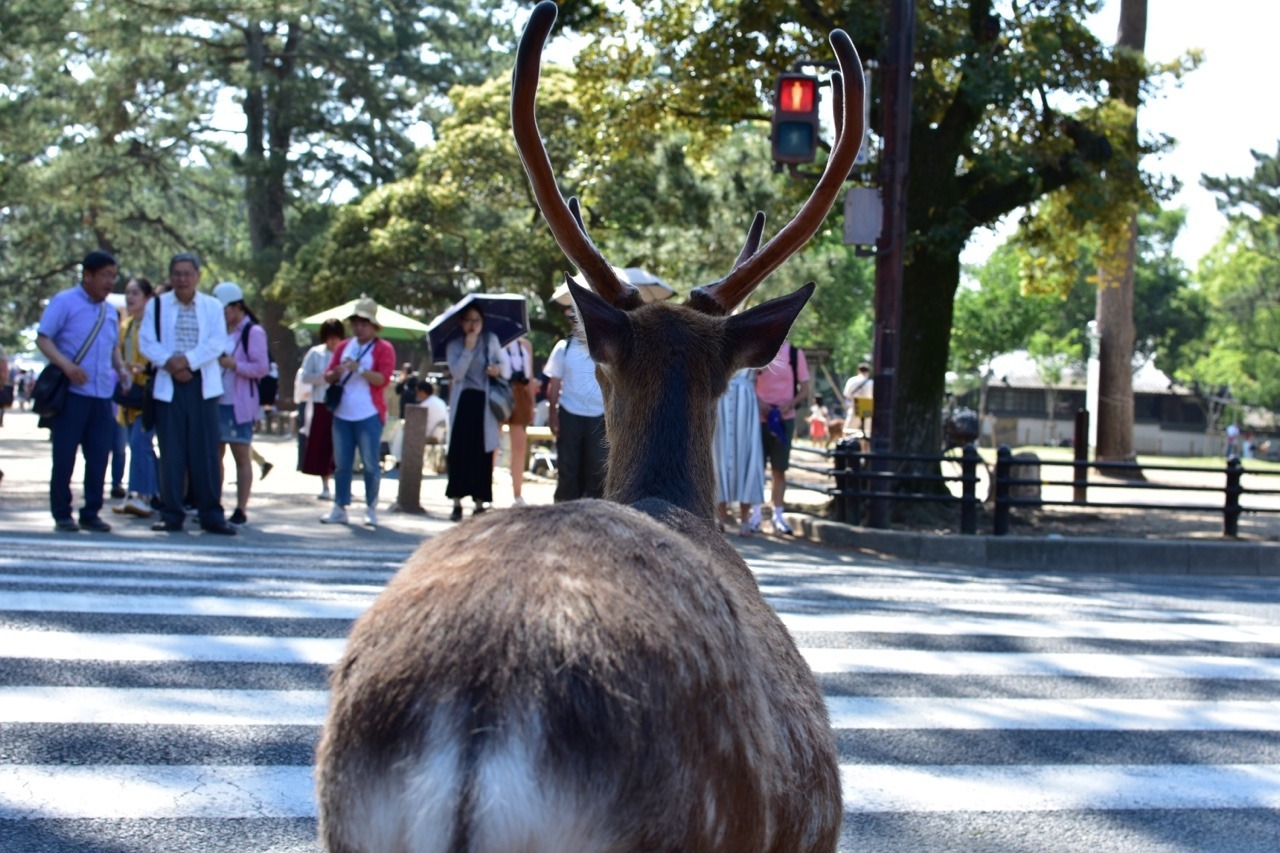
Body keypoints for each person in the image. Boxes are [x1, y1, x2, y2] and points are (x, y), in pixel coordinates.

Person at [139, 252, 237, 535]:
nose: (182, 279)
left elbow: (217, 342)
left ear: (198, 276)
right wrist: (171, 363)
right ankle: (171, 513)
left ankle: (211, 514)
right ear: (171, 276)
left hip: (202, 384)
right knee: (171, 452)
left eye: (187, 273)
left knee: (205, 452)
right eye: (177, 273)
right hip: (168, 385)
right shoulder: (157, 305)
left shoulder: (212, 306)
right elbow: (147, 342)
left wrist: (188, 361)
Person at [35, 250, 130, 533]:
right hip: (72, 394)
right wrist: (66, 366)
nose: (110, 282)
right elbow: (43, 338)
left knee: (100, 455)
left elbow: (113, 347)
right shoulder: (64, 302)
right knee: (65, 455)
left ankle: (91, 511)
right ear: (87, 275)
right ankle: (62, 512)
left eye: (113, 276)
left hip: (102, 396)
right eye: (105, 276)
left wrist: (122, 369)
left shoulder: (109, 311)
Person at [320, 298, 395, 528]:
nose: (359, 327)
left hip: (369, 414)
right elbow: (328, 374)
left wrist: (360, 369)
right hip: (343, 412)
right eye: (356, 322)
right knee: (342, 463)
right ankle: (339, 506)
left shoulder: (384, 348)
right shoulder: (344, 346)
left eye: (364, 323)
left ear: (373, 325)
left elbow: (383, 379)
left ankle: (371, 508)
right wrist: (336, 372)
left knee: (371, 463)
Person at [445, 305, 511, 521]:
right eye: (468, 320)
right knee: (459, 451)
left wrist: (497, 369)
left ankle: (480, 502)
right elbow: (457, 373)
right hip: (463, 401)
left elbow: (505, 367)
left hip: (484, 403)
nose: (473, 325)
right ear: (461, 323)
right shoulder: (454, 345)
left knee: (482, 453)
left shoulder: (490, 339)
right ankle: (456, 502)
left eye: (476, 320)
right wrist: (468, 348)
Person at [213, 281, 269, 526]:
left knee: (241, 456)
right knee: (216, 456)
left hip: (239, 403)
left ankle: (241, 507)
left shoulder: (253, 332)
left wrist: (234, 365)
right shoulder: (220, 330)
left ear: (236, 307)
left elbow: (261, 367)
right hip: (216, 399)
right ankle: (214, 502)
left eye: (224, 310)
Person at [544, 309, 607, 503]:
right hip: (570, 413)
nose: (577, 326)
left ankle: (597, 512)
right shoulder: (563, 348)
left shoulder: (603, 349)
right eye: (574, 321)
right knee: (568, 465)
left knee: (597, 466)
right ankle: (564, 509)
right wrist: (552, 415)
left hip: (598, 416)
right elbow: (554, 384)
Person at [111, 276, 160, 518]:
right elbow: (116, 353)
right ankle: (142, 493)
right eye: (128, 293)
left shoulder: (155, 326)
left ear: (148, 297)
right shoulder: (126, 326)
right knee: (136, 444)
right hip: (129, 395)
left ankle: (145, 495)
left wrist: (145, 368)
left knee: (141, 443)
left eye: (135, 293)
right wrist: (123, 369)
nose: (130, 298)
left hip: (149, 395)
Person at [754, 339, 811, 536]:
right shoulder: (760, 349)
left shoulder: (795, 354)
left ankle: (778, 514)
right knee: (757, 468)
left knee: (779, 469)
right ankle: (755, 514)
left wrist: (789, 404)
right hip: (759, 418)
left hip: (784, 419)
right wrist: (760, 403)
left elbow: (805, 389)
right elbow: (748, 381)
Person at [713, 367, 765, 537]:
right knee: (720, 451)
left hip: (746, 397)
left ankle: (745, 518)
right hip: (722, 395)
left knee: (746, 452)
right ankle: (720, 515)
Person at [301, 319, 345, 501]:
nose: (333, 342)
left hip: (343, 405)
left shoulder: (347, 354)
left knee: (342, 446)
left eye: (336, 338)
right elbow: (305, 377)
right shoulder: (315, 354)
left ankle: (343, 486)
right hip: (321, 403)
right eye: (330, 338)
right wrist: (325, 378)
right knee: (323, 445)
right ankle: (326, 484)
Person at [502, 336, 538, 505]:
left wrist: (532, 403)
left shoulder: (525, 344)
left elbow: (529, 376)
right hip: (499, 391)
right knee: (493, 444)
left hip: (520, 392)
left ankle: (517, 495)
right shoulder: (495, 339)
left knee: (519, 446)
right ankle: (486, 494)